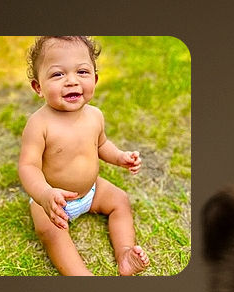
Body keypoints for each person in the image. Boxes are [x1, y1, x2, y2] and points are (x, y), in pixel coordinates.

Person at [18, 36, 149, 276]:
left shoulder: (95, 115)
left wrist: (120, 157)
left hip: (92, 190)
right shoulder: (39, 124)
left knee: (120, 200)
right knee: (53, 233)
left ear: (95, 80)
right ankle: (81, 275)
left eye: (82, 72)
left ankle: (125, 253)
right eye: (57, 74)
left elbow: (101, 144)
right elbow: (28, 166)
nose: (71, 81)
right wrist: (45, 194)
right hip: (53, 202)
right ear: (38, 87)